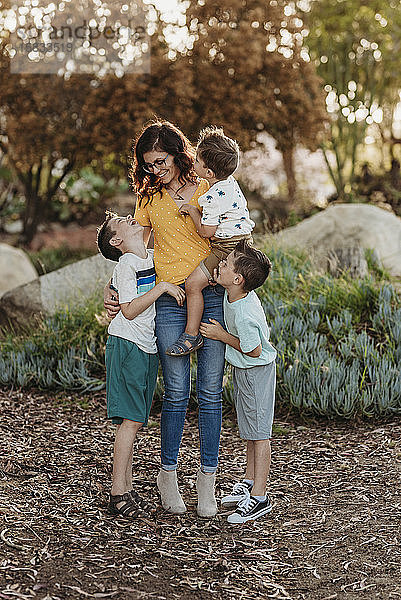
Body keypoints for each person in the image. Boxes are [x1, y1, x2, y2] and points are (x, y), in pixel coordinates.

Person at [104, 120, 226, 518]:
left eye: (161, 161)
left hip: (213, 295)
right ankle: (168, 476)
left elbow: (231, 238)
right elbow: (135, 251)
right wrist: (114, 287)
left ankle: (207, 481)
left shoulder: (208, 187)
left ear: (178, 153)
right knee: (175, 390)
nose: (155, 169)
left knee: (210, 393)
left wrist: (206, 273)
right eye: (149, 163)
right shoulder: (149, 197)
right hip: (170, 300)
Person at [97, 211, 185, 518]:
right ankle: (117, 493)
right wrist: (161, 288)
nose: (129, 217)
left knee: (134, 421)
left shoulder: (145, 255)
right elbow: (130, 310)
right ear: (117, 240)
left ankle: (128, 488)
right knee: (130, 422)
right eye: (122, 220)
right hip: (127, 344)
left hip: (145, 347)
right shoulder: (127, 263)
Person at [199, 240, 277, 524]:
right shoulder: (234, 293)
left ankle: (259, 496)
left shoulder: (244, 313)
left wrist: (221, 336)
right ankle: (248, 480)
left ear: (237, 279)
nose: (219, 264)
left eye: (225, 264)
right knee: (249, 430)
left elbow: (254, 349)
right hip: (246, 371)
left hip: (256, 371)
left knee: (260, 434)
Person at [166, 126, 255, 357]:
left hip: (227, 247)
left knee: (193, 284)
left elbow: (206, 231)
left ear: (208, 172)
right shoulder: (230, 183)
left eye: (197, 161)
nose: (193, 164)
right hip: (244, 242)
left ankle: (191, 335)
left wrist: (194, 211)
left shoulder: (213, 196)